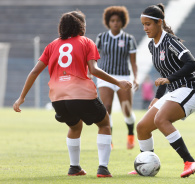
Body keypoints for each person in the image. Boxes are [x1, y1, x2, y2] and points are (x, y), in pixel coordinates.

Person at [13, 10, 132, 177]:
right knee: (104, 123)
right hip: (81, 93)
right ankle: (103, 168)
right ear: (80, 25)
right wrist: (118, 82)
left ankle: (74, 167)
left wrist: (21, 97)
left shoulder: (52, 45)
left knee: (75, 126)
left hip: (58, 97)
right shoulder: (86, 42)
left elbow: (34, 72)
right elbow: (93, 69)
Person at [128, 4, 195, 178]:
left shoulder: (170, 41)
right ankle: (145, 163)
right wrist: (157, 98)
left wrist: (169, 79)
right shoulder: (151, 46)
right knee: (142, 127)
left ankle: (190, 161)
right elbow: (164, 74)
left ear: (159, 23)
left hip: (190, 89)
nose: (145, 28)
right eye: (143, 24)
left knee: (161, 119)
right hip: (174, 91)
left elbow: (192, 63)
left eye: (148, 24)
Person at [95, 6, 139, 149]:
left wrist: (135, 78)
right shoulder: (102, 38)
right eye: (112, 20)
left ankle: (131, 134)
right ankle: (109, 140)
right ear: (108, 22)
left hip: (123, 77)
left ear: (123, 22)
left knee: (126, 109)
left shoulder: (129, 39)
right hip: (105, 77)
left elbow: (133, 62)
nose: (115, 23)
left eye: (118, 21)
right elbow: (94, 58)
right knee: (106, 108)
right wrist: (91, 71)